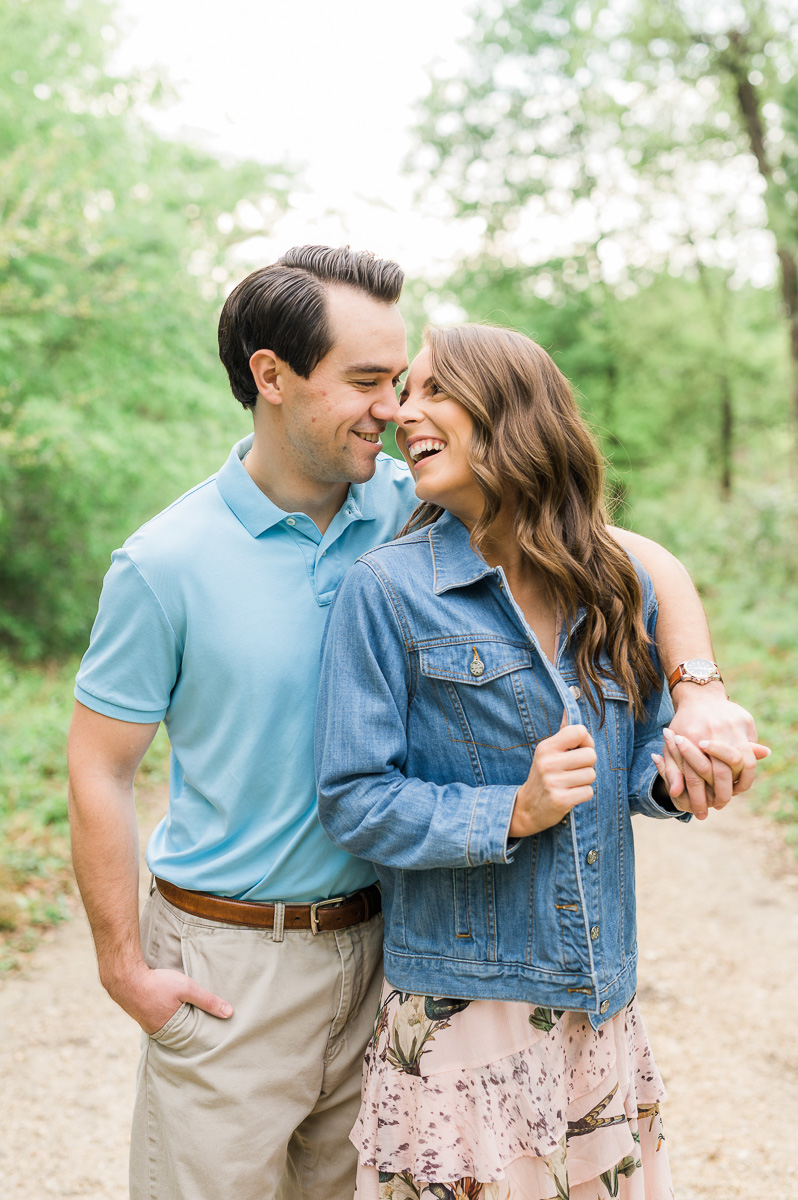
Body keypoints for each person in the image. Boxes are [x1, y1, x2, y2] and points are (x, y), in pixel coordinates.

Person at [68, 248, 760, 1200]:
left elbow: (622, 551)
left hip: (396, 940)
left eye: (401, 382)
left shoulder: (410, 502)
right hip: (238, 958)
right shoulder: (165, 563)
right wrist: (123, 967)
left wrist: (699, 691)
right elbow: (99, 770)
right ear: (270, 377)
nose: (393, 410)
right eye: (366, 382)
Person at [314, 323, 766, 1199]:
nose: (407, 413)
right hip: (461, 1008)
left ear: (513, 413)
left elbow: (638, 769)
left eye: (435, 390)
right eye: (407, 393)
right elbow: (355, 800)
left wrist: (690, 773)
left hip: (598, 1004)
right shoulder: (387, 589)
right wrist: (511, 812)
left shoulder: (611, 583)